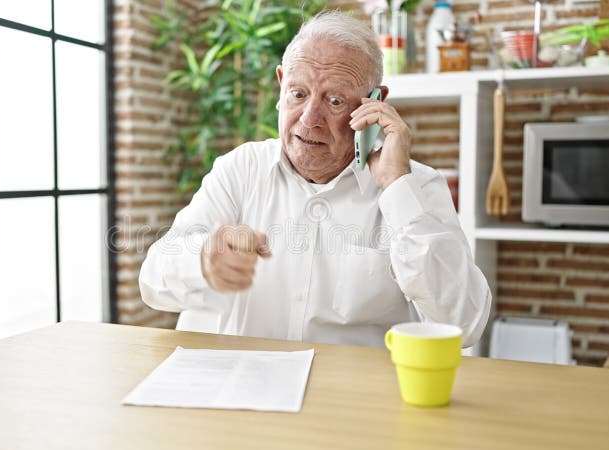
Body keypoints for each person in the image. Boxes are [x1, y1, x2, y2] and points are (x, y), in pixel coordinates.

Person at [139, 10, 491, 348]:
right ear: (280, 86)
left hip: (352, 398)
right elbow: (153, 281)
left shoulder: (416, 186)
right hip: (245, 384)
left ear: (375, 103)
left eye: (335, 100)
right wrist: (202, 260)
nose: (309, 119)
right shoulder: (240, 168)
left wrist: (397, 186)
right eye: (298, 93)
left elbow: (464, 324)